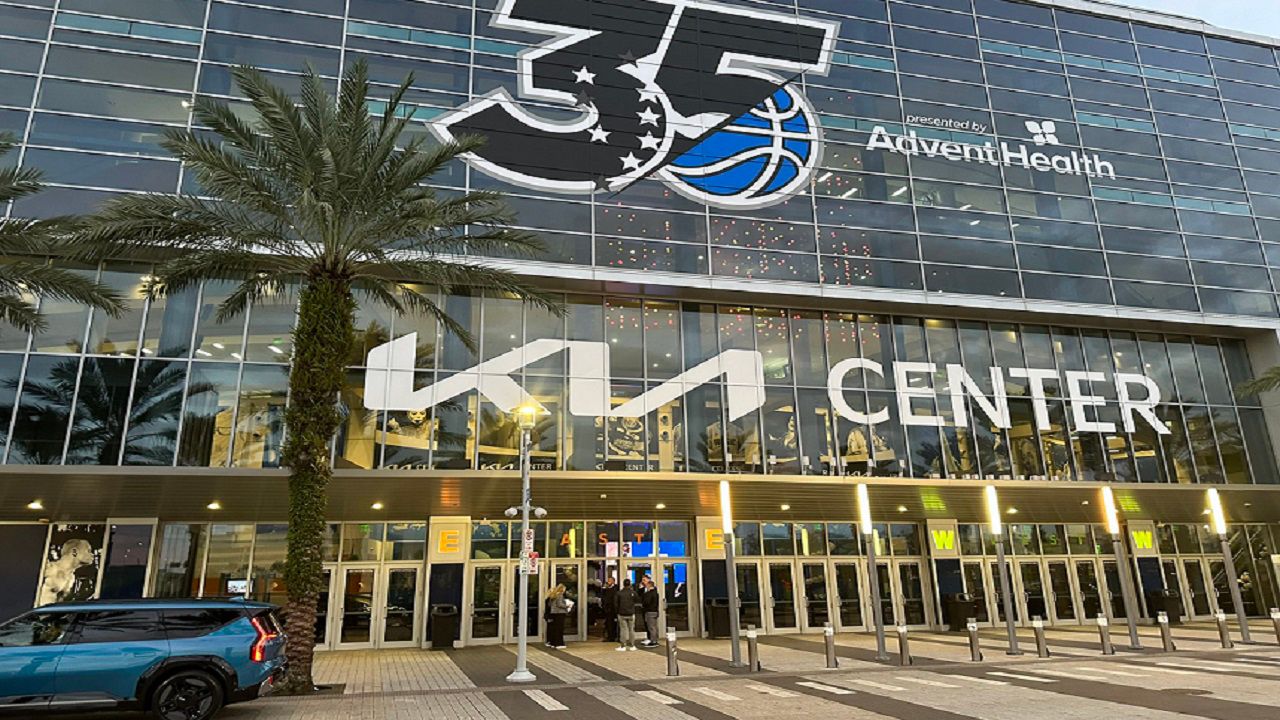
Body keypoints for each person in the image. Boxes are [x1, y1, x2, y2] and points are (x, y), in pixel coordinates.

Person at [615, 579, 640, 651]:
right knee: (631, 629)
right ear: (630, 584)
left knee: (623, 630)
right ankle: (632, 645)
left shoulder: (619, 593)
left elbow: (616, 604)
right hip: (631, 613)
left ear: (623, 584)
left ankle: (623, 646)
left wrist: (617, 612)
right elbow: (637, 600)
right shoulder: (633, 593)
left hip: (621, 613)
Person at [545, 584, 571, 649]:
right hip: (560, 613)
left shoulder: (553, 595)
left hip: (554, 613)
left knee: (555, 629)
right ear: (562, 589)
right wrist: (567, 606)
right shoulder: (560, 595)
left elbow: (550, 604)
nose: (565, 590)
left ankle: (553, 643)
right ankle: (559, 643)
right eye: (564, 589)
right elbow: (559, 604)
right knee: (559, 629)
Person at [639, 576, 660, 647]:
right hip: (652, 611)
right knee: (652, 626)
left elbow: (646, 601)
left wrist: (645, 595)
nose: (643, 582)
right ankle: (652, 639)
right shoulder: (653, 592)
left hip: (650, 611)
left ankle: (653, 641)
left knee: (651, 627)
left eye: (644, 580)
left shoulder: (651, 593)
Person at [600, 576, 619, 642]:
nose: (608, 582)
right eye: (608, 580)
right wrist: (604, 588)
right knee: (608, 624)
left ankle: (613, 636)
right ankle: (609, 636)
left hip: (613, 609)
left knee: (613, 624)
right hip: (607, 609)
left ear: (613, 581)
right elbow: (603, 597)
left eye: (610, 581)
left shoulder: (616, 588)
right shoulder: (606, 589)